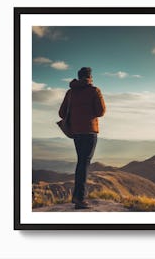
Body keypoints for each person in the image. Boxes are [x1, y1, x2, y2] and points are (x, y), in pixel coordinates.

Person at [59, 67, 106, 209]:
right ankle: (80, 199)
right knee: (84, 164)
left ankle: (76, 197)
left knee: (81, 162)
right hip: (89, 132)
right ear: (90, 77)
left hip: (76, 133)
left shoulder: (70, 92)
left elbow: (62, 113)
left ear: (78, 77)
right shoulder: (94, 90)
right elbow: (101, 111)